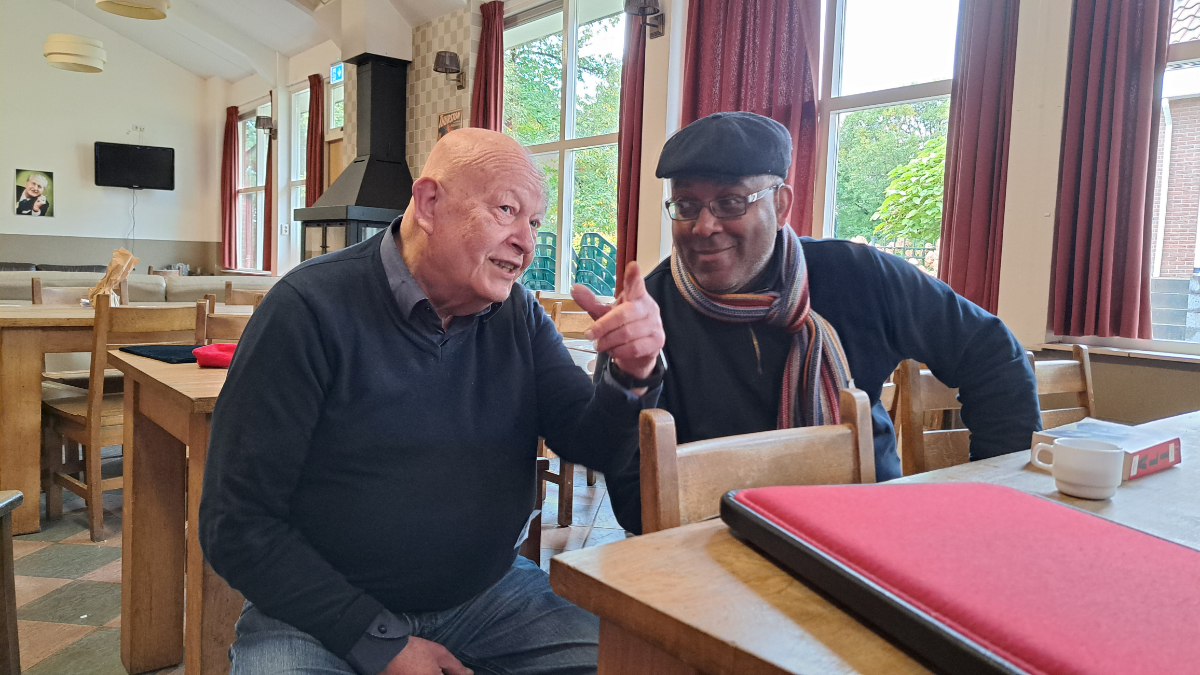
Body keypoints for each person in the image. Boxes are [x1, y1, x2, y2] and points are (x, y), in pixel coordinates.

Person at [200, 128, 666, 675]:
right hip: (319, 613)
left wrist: (631, 376)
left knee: (636, 664)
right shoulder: (307, 308)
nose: (527, 241)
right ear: (428, 203)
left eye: (535, 223)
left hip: (487, 597)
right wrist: (378, 642)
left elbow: (594, 446)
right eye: (507, 210)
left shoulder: (518, 315)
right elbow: (236, 523)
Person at [605, 111, 1040, 533]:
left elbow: (990, 351)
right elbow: (632, 496)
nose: (703, 226)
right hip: (716, 539)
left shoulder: (856, 275)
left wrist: (993, 494)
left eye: (731, 202)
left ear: (781, 204)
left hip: (875, 524)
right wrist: (627, 382)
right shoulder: (650, 313)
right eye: (685, 205)